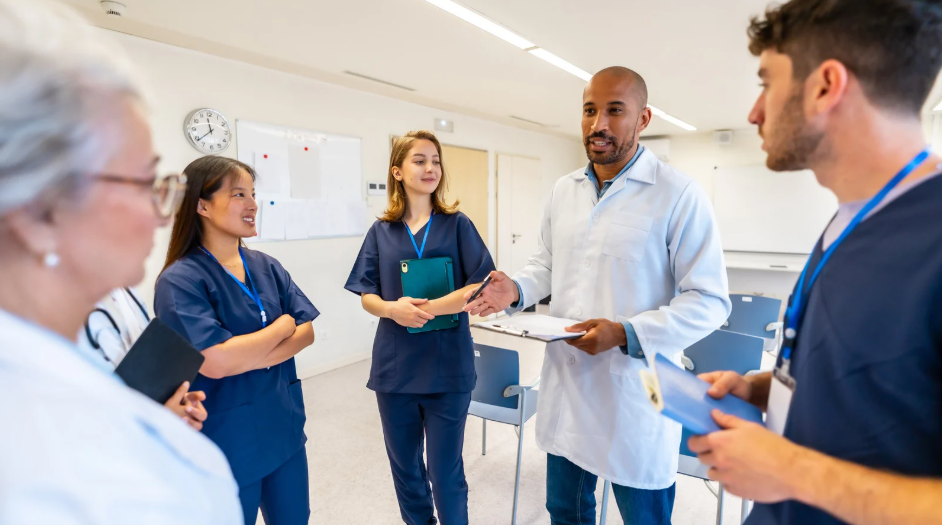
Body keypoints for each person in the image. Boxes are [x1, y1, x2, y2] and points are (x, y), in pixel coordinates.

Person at [684, 1, 942, 525]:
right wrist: (760, 388)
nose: (755, 112)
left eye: (766, 83)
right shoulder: (849, 218)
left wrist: (793, 472)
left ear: (826, 85)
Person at [0, 1, 241, 523]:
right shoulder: (41, 473)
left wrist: (152, 416)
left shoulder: (111, 304)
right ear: (40, 211)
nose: (161, 215)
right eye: (143, 184)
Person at [464, 67, 731, 524]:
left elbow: (710, 300)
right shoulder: (563, 191)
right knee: (564, 511)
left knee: (643, 516)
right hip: (569, 386)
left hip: (637, 393)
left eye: (614, 110)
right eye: (590, 110)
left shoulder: (678, 195)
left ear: (643, 118)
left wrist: (626, 333)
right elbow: (547, 265)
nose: (598, 124)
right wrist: (517, 288)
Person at [154, 155, 319, 525]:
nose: (253, 204)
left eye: (253, 194)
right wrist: (280, 328)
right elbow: (215, 361)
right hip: (225, 441)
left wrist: (247, 355)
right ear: (202, 205)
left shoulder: (267, 266)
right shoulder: (180, 281)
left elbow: (307, 332)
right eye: (239, 194)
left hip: (283, 430)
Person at [345, 130, 495, 525]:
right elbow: (366, 293)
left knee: (444, 473)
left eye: (436, 160)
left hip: (448, 369)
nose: (430, 168)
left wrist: (423, 311)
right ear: (397, 171)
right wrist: (394, 310)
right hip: (396, 370)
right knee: (406, 470)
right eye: (419, 160)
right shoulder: (382, 232)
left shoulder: (457, 224)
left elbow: (479, 284)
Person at [79, 286, 209, 430]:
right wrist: (160, 420)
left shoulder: (126, 292)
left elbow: (143, 372)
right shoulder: (64, 315)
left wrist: (176, 401)